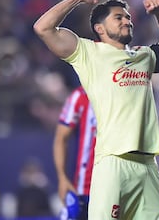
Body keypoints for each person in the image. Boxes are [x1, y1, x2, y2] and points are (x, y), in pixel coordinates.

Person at [34, 0, 159, 219]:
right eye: (119, 18)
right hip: (112, 163)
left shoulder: (144, 55)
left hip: (147, 165)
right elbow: (43, 28)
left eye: (127, 17)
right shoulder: (88, 53)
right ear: (99, 28)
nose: (127, 21)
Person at [53, 86, 96, 220]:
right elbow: (61, 138)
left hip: (116, 183)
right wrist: (62, 178)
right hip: (84, 187)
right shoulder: (80, 96)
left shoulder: (122, 92)